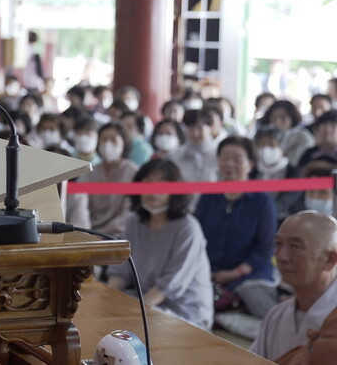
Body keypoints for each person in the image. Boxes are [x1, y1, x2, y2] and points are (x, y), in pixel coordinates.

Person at [106, 159, 213, 330]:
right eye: (147, 182)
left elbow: (170, 286)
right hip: (146, 302)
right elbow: (120, 270)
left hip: (184, 311)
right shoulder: (134, 222)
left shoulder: (188, 228)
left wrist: (133, 314)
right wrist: (106, 302)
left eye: (162, 183)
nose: (153, 190)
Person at [195, 136, 278, 320]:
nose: (229, 164)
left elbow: (265, 249)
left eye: (237, 159)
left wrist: (234, 273)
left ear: (250, 164)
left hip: (248, 275)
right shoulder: (208, 196)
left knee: (249, 295)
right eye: (224, 158)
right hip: (208, 272)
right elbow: (196, 236)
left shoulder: (261, 201)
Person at [250, 211, 337, 362]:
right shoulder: (276, 316)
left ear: (330, 260)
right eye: (278, 244)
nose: (281, 257)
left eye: (295, 246)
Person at [77, 122, 138, 237]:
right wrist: (85, 234)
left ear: (124, 143)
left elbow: (127, 215)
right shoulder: (88, 172)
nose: (107, 144)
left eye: (113, 139)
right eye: (103, 139)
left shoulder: (133, 173)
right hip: (87, 234)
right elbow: (80, 208)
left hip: (119, 235)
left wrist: (102, 234)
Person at [253, 126, 302, 225]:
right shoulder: (252, 171)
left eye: (271, 145)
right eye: (261, 145)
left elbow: (286, 201)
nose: (265, 149)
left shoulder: (293, 173)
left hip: (284, 222)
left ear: (282, 148)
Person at [167, 109, 218, 183]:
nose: (195, 133)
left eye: (200, 128)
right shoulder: (176, 155)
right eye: (191, 129)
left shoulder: (217, 154)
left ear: (210, 128)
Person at [261, 99, 316, 165]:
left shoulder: (302, 137)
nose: (277, 121)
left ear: (292, 117)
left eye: (283, 117)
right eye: (274, 117)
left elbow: (294, 162)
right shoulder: (267, 135)